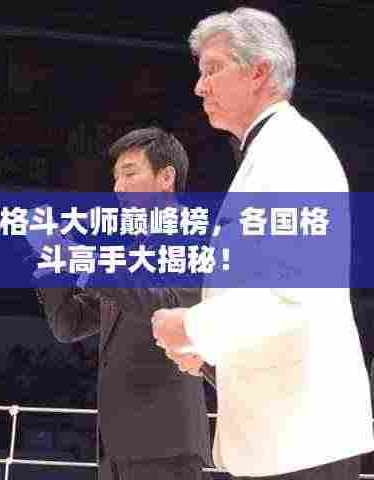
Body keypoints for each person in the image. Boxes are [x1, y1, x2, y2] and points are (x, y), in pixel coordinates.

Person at [151, 7, 374, 480]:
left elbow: (292, 298)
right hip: (289, 438)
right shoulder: (273, 151)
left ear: (259, 71)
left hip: (300, 442)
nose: (200, 87)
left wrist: (193, 326)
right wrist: (209, 347)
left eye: (213, 69)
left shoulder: (290, 154)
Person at [36, 127, 212, 480]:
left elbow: (165, 304)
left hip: (167, 444)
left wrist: (82, 260)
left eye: (130, 173)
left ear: (166, 177)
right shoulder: (128, 255)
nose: (118, 187)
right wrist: (51, 260)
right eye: (115, 177)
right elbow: (69, 325)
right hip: (117, 448)